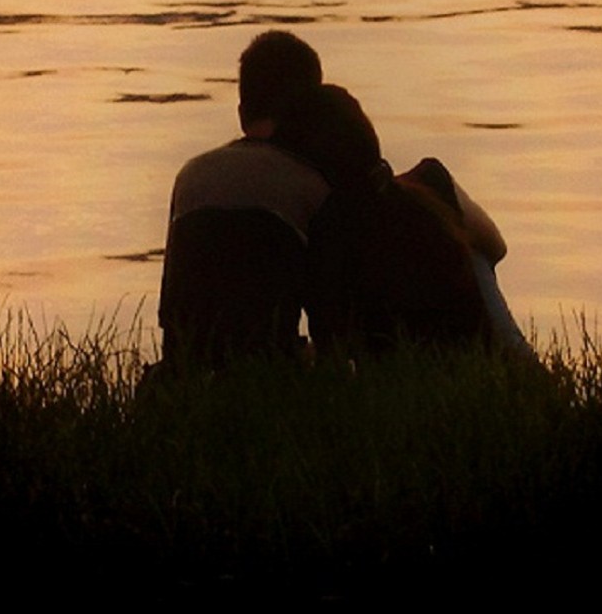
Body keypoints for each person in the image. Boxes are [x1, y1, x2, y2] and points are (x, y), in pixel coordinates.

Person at [276, 83, 531, 360]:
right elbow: (496, 248)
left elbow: (334, 352)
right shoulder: (433, 181)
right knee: (474, 253)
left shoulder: (329, 237)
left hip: (413, 386)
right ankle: (523, 368)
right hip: (482, 365)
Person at [156, 30, 329, 372]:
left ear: (241, 112)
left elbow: (173, 311)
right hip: (272, 378)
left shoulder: (190, 176)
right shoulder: (311, 184)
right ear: (311, 112)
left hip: (184, 375)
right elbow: (331, 322)